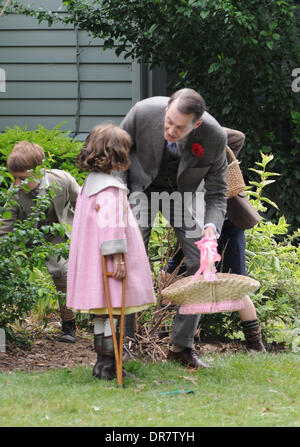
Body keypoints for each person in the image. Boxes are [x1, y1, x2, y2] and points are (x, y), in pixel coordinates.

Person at [117, 88, 228, 369]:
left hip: (182, 196)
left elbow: (217, 193)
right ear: (166, 109)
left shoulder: (214, 137)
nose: (170, 129)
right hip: (140, 189)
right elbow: (115, 154)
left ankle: (181, 346)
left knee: (203, 265)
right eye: (168, 122)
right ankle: (122, 344)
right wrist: (116, 196)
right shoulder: (142, 112)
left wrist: (211, 227)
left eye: (179, 127)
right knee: (130, 257)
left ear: (197, 124)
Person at [66, 124, 156, 380]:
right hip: (109, 261)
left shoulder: (90, 185)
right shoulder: (111, 189)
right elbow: (111, 225)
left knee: (102, 312)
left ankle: (101, 364)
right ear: (118, 154)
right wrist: (117, 256)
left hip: (93, 259)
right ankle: (110, 365)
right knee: (114, 311)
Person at [164, 128, 266, 353]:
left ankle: (255, 344)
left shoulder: (210, 150)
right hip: (198, 227)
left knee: (237, 283)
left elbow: (238, 137)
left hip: (226, 223)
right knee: (170, 274)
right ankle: (162, 331)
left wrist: (207, 132)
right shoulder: (184, 159)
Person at [0, 141, 80, 343]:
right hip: (26, 236)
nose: (17, 183)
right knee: (8, 272)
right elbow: (6, 228)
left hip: (56, 233)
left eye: (22, 178)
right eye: (14, 178)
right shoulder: (14, 194)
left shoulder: (62, 180)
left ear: (39, 171)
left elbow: (83, 204)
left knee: (61, 271)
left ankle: (69, 324)